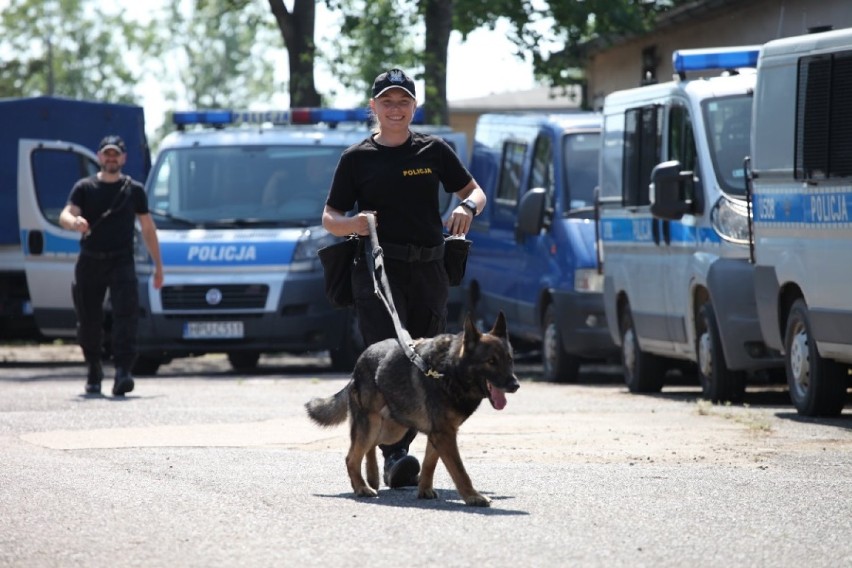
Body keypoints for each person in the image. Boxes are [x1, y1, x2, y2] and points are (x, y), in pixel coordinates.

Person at [321, 68, 487, 488]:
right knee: (392, 359)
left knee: (428, 359)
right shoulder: (356, 158)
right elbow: (330, 219)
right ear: (373, 107)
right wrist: (355, 223)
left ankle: (401, 447)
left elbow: (475, 191)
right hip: (378, 273)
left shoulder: (433, 150)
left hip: (430, 270)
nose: (396, 109)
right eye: (387, 102)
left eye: (403, 101)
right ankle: (396, 453)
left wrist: (467, 209)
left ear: (414, 107)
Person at [59, 135, 164, 396]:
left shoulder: (134, 190)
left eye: (116, 154)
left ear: (124, 158)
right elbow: (66, 214)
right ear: (99, 157)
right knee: (89, 320)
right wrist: (75, 223)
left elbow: (148, 228)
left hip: (121, 260)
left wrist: (159, 267)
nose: (111, 158)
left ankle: (123, 372)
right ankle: (94, 368)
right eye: (107, 153)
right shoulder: (84, 187)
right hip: (90, 260)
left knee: (126, 318)